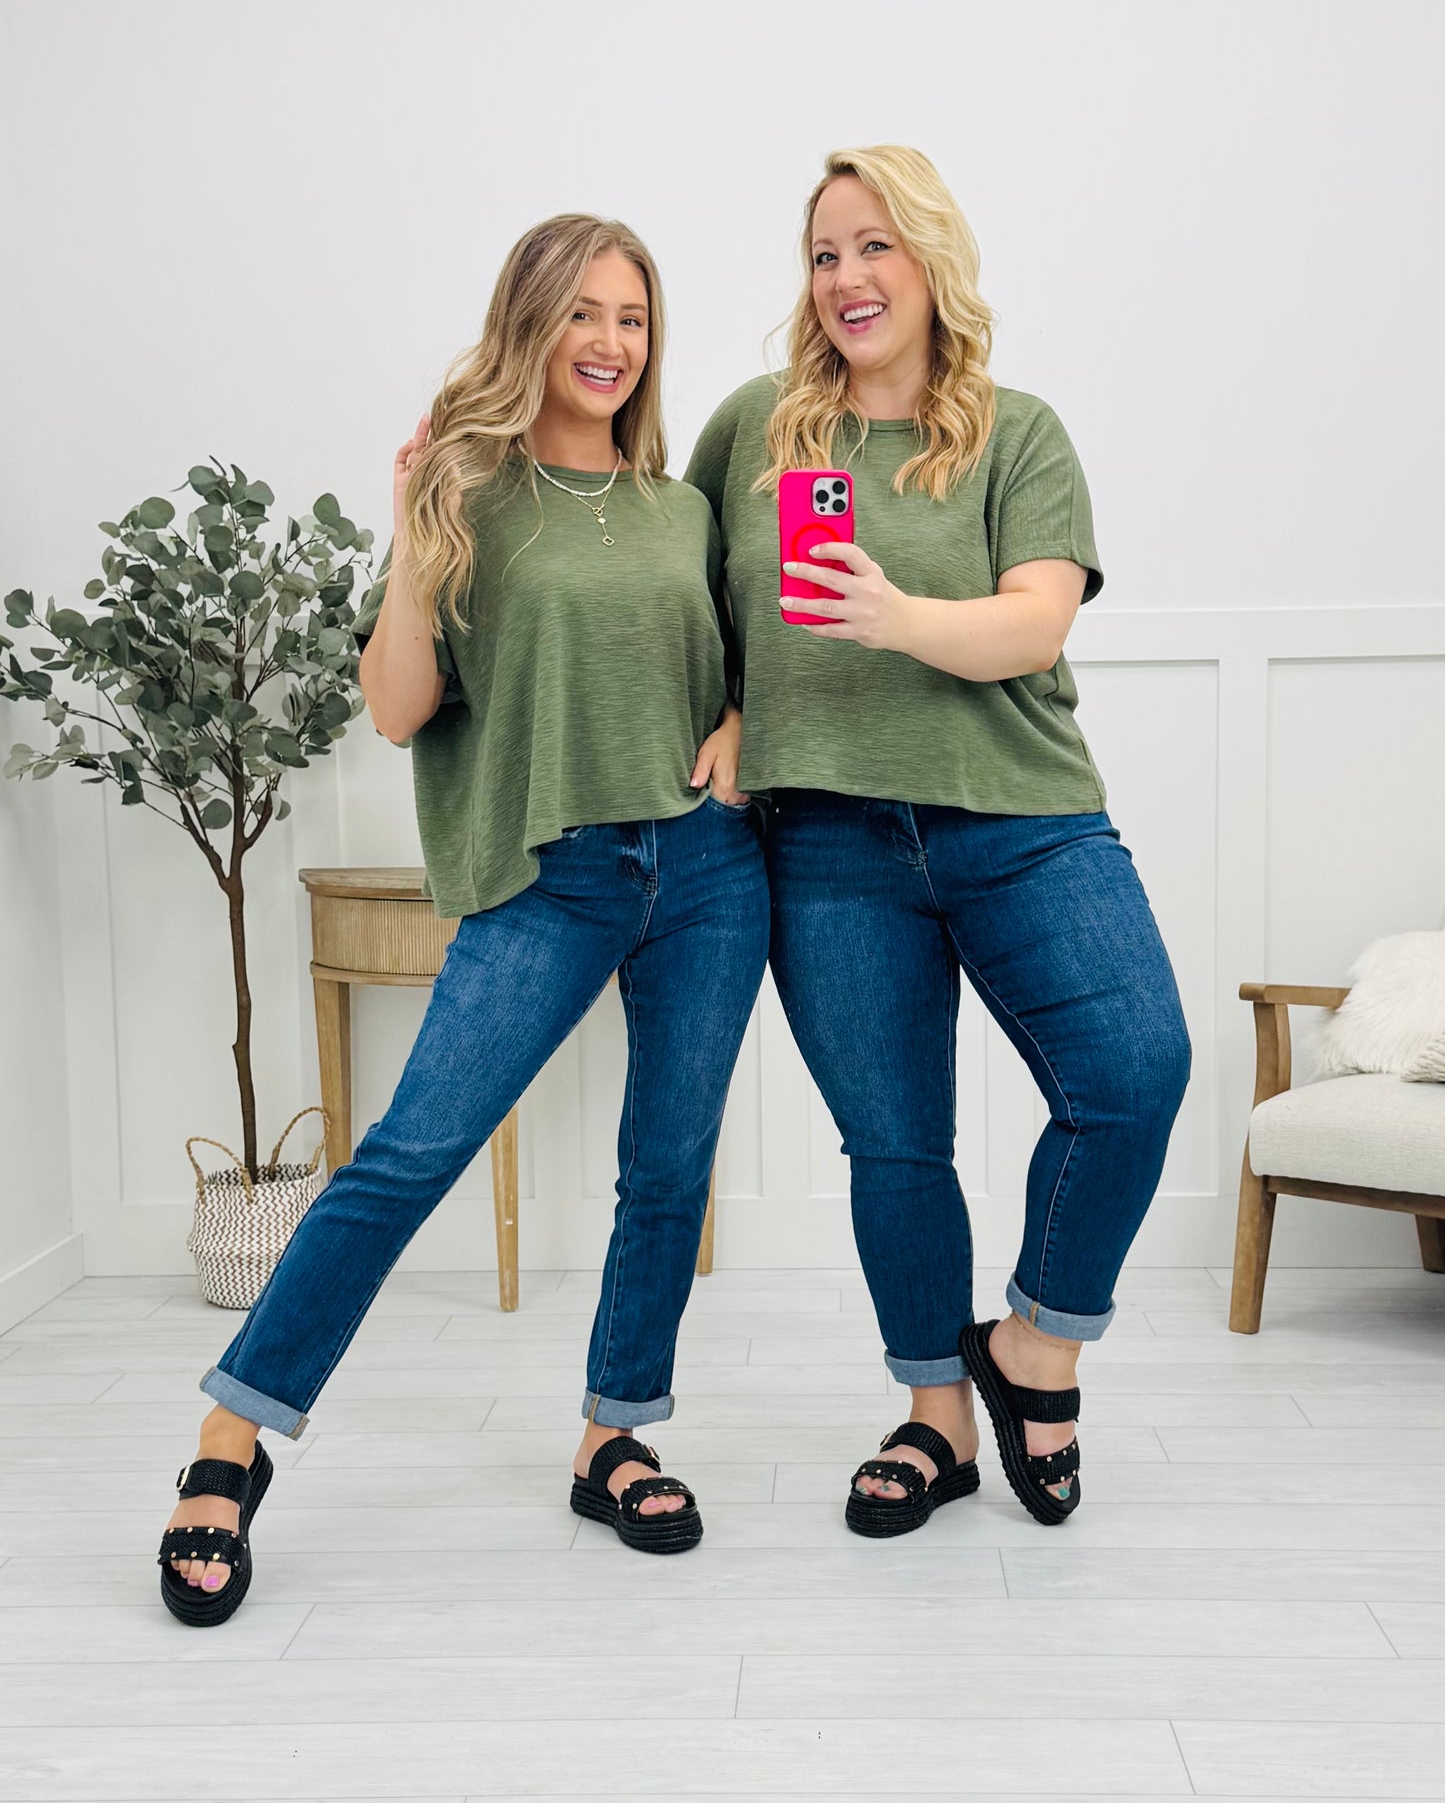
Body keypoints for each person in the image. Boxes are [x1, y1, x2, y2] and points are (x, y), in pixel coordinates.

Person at [159, 214, 769, 1622]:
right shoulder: (466, 496)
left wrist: (739, 723)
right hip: (548, 875)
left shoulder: (682, 510)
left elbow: (745, 670)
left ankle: (615, 1436)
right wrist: (413, 532)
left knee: (667, 1169)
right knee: (404, 1159)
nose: (609, 343)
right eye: (580, 315)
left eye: (631, 317)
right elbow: (394, 709)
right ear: (528, 326)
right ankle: (228, 1443)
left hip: (706, 870)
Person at [686, 146, 1191, 1530]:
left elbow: (1035, 620)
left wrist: (894, 616)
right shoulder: (756, 430)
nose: (846, 278)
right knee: (896, 1147)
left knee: (1135, 1072)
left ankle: (1035, 1349)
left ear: (930, 261)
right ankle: (936, 1419)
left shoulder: (1017, 432)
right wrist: (731, 704)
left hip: (1024, 823)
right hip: (829, 843)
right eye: (823, 254)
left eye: (875, 247)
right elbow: (686, 592)